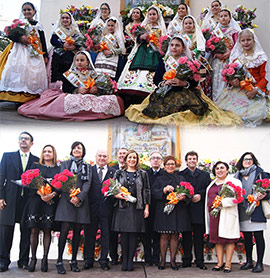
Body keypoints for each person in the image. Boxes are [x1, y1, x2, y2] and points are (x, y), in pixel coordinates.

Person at [125, 36, 242, 126]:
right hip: (166, 91)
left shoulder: (188, 62)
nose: (174, 48)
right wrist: (164, 83)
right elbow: (156, 79)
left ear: (183, 48)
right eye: (172, 45)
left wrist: (184, 83)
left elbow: (195, 81)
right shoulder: (164, 61)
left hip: (185, 91)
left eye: (177, 45)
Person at [18, 50, 124, 120]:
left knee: (112, 100)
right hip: (75, 94)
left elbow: (98, 86)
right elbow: (66, 88)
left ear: (87, 62)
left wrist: (96, 90)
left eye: (82, 60)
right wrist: (77, 90)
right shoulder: (71, 74)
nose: (79, 62)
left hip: (90, 95)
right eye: (77, 60)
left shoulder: (94, 74)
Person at [0, 132, 39, 272]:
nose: (23, 140)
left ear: (31, 143)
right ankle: (3, 260)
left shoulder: (36, 160)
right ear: (18, 142)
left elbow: (38, 182)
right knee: (5, 231)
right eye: (21, 138)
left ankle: (23, 261)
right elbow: (1, 177)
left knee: (26, 231)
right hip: (9, 199)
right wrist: (1, 197)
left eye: (26, 139)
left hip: (27, 201)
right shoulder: (7, 156)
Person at [215, 29, 269, 127]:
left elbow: (265, 78)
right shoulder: (236, 57)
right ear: (239, 42)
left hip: (254, 91)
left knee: (252, 115)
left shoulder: (260, 57)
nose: (246, 42)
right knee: (226, 113)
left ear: (254, 40)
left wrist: (255, 90)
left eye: (248, 40)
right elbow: (229, 76)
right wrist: (232, 81)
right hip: (238, 90)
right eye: (243, 40)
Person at [117, 5, 166, 108]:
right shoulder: (143, 26)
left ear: (158, 15)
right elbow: (136, 41)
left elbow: (164, 41)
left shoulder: (161, 28)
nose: (152, 16)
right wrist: (141, 37)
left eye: (154, 14)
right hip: (142, 51)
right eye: (150, 14)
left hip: (155, 52)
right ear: (147, 15)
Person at [21, 145, 60, 272]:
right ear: (42, 153)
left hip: (50, 202)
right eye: (45, 151)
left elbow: (60, 186)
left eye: (49, 151)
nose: (47, 153)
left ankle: (45, 259)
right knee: (34, 230)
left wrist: (52, 195)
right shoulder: (35, 166)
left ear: (53, 154)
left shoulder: (58, 169)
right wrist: (41, 194)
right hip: (35, 201)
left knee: (47, 230)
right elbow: (28, 182)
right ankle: (33, 259)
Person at [54, 142, 92, 274]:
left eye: (79, 148)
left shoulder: (87, 166)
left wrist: (79, 197)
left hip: (80, 202)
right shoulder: (64, 164)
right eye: (75, 148)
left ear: (83, 151)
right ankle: (59, 260)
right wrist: (71, 196)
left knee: (77, 232)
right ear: (71, 150)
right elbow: (60, 180)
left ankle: (74, 261)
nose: (77, 150)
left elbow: (87, 184)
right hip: (66, 200)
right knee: (64, 231)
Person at [0, 2, 48, 104]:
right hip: (19, 51)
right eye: (25, 10)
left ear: (34, 11)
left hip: (34, 51)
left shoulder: (38, 25)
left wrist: (45, 55)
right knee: (18, 71)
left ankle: (28, 97)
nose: (27, 12)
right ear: (22, 12)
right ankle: (16, 96)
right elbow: (10, 35)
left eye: (29, 9)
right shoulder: (19, 23)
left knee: (32, 73)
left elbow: (43, 41)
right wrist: (20, 38)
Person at [112, 150, 150, 271]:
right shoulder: (119, 173)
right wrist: (118, 196)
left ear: (137, 160)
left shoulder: (143, 174)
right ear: (126, 159)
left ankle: (130, 261)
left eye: (134, 157)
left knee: (133, 234)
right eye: (130, 157)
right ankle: (124, 260)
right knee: (124, 235)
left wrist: (147, 208)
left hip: (137, 207)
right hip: (122, 207)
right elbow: (112, 189)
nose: (132, 160)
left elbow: (146, 191)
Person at [152, 156, 191, 270]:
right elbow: (153, 193)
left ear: (176, 165)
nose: (170, 166)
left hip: (178, 211)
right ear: (164, 166)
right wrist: (163, 190)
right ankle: (163, 261)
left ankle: (173, 261)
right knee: (163, 235)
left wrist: (183, 197)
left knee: (175, 235)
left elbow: (189, 193)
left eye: (172, 164)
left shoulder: (181, 177)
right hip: (163, 211)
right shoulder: (159, 178)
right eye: (168, 164)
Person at [234, 152, 269, 273]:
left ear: (254, 161)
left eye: (250, 159)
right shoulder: (237, 176)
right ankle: (249, 261)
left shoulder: (261, 174)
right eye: (245, 159)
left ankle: (259, 263)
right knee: (247, 237)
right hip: (243, 209)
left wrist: (264, 195)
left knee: (258, 236)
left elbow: (268, 190)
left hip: (257, 209)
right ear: (241, 162)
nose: (247, 161)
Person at [205, 161, 242, 273]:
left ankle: (228, 264)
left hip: (227, 214)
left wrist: (222, 202)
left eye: (222, 168)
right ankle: (219, 262)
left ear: (227, 170)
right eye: (217, 168)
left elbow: (238, 198)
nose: (219, 170)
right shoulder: (212, 184)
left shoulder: (234, 182)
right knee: (217, 239)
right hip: (214, 215)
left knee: (229, 239)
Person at [83, 150, 116, 271]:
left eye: (104, 156)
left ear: (108, 158)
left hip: (107, 209)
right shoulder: (89, 170)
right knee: (89, 235)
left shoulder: (114, 172)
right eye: (100, 156)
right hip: (91, 209)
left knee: (105, 236)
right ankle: (88, 260)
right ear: (96, 157)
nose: (102, 158)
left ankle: (103, 260)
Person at [179, 151, 211, 269]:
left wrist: (200, 195)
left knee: (198, 238)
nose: (192, 160)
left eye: (194, 159)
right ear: (186, 161)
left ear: (197, 161)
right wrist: (188, 196)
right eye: (190, 159)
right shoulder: (181, 174)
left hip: (199, 210)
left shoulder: (204, 175)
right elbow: (179, 190)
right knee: (186, 238)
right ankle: (187, 260)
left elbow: (209, 190)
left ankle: (200, 261)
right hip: (185, 210)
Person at [210, 9, 240, 102]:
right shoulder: (215, 32)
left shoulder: (234, 31)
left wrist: (229, 53)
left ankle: (226, 101)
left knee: (226, 80)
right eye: (221, 16)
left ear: (230, 18)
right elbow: (210, 45)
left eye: (225, 16)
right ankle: (216, 100)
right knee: (216, 80)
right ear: (218, 19)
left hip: (229, 60)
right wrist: (216, 54)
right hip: (217, 61)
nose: (223, 18)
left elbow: (237, 45)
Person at [141, 152, 164, 266]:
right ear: (150, 161)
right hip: (146, 208)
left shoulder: (164, 174)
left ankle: (156, 258)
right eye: (153, 158)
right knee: (146, 234)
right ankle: (148, 258)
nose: (156, 160)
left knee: (157, 235)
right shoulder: (145, 174)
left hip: (159, 208)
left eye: (158, 158)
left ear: (161, 161)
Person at [50, 12, 84, 84]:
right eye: (63, 18)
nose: (65, 19)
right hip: (59, 55)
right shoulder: (57, 30)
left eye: (67, 18)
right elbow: (53, 41)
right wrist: (63, 44)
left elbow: (81, 41)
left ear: (70, 20)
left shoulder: (75, 30)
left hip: (72, 55)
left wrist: (74, 46)